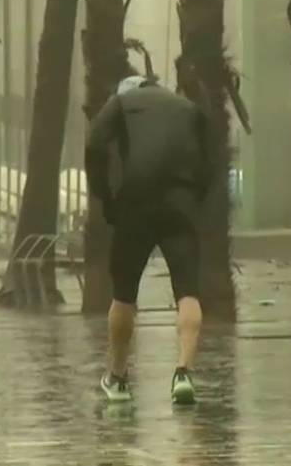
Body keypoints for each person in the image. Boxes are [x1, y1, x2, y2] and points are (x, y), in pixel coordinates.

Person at [85, 75, 214, 405]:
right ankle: (183, 373)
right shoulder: (187, 108)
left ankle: (117, 378)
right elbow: (212, 153)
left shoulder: (121, 103)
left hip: (135, 202)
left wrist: (105, 196)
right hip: (180, 202)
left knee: (124, 293)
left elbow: (94, 144)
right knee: (187, 291)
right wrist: (195, 196)